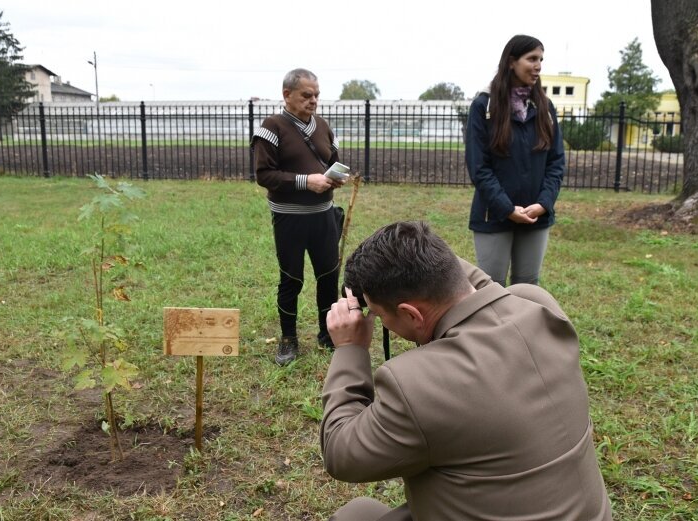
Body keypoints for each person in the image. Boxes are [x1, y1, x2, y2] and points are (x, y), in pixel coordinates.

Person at [321, 221, 611, 521]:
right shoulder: (537, 305)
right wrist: (410, 246)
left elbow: (341, 454)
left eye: (379, 315)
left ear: (410, 313)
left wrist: (350, 349)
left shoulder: (418, 384)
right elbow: (472, 286)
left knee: (357, 514)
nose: (381, 323)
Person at [252, 68, 345, 365]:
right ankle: (288, 339)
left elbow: (333, 161)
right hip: (289, 219)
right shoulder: (272, 127)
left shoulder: (324, 126)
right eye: (307, 95)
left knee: (329, 277)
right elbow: (264, 175)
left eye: (316, 95)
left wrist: (336, 176)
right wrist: (307, 181)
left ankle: (326, 334)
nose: (313, 100)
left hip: (324, 216)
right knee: (291, 279)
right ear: (287, 95)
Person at [465, 34, 565, 286]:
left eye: (541, 59)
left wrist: (544, 203)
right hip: (494, 215)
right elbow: (479, 167)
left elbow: (556, 162)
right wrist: (507, 209)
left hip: (536, 216)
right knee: (491, 288)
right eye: (532, 58)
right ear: (511, 62)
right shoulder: (484, 106)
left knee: (527, 286)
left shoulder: (544, 107)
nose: (538, 65)